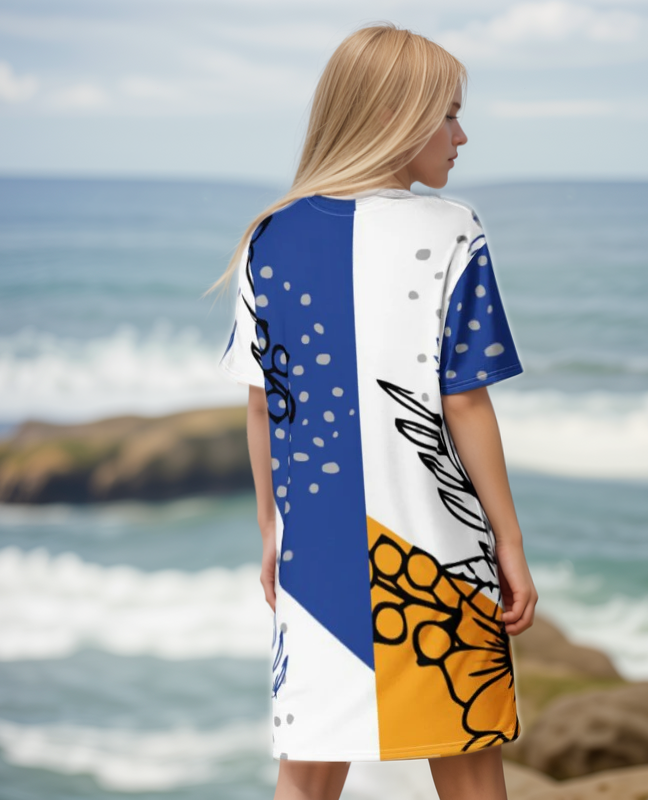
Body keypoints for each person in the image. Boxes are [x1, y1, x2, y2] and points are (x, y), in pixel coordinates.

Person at [209, 21, 539, 800]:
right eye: (448, 115)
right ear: (394, 116)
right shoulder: (453, 228)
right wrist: (510, 542)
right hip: (441, 552)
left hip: (315, 549)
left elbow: (262, 406)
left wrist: (270, 530)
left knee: (308, 771)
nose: (462, 136)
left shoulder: (269, 237)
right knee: (466, 758)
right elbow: (465, 402)